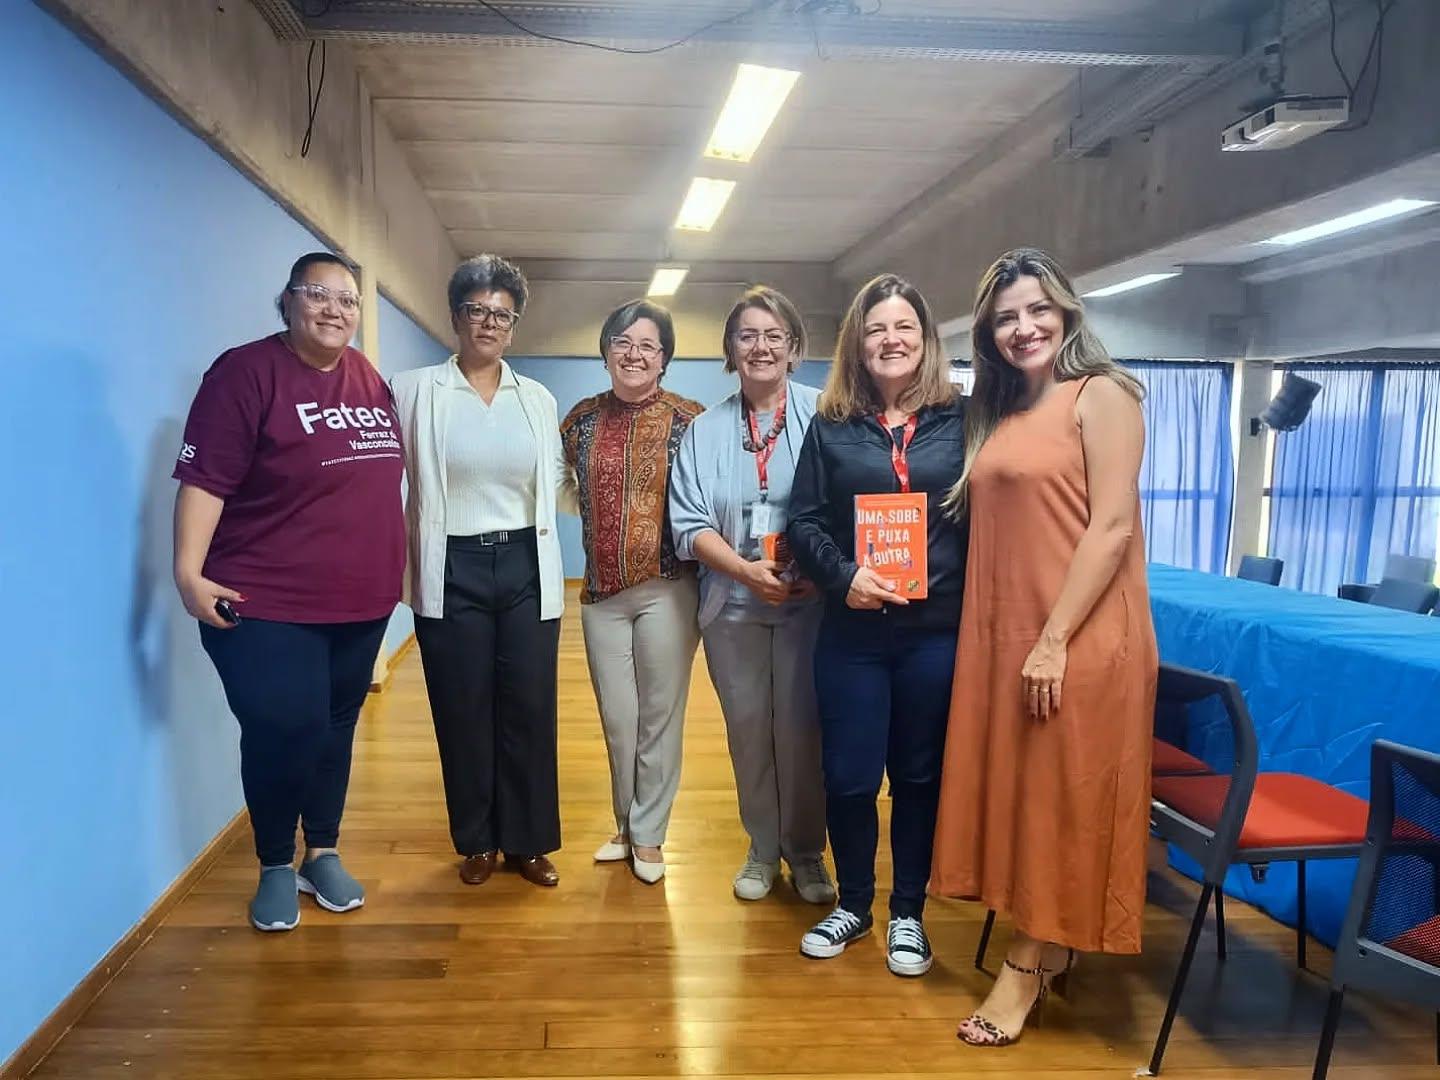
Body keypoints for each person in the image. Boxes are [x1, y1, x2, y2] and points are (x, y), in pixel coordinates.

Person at [930, 247, 1158, 1047]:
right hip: (1015, 636)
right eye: (1005, 318)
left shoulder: (1104, 394)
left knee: (1063, 803)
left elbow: (1112, 527)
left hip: (1080, 637)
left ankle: (1025, 969)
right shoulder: (1002, 410)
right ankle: (1052, 943)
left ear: (1065, 312)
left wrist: (1055, 639)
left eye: (1036, 310)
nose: (1023, 327)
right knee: (1030, 800)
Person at [172, 251, 404, 932]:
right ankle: (275, 861)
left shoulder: (366, 377)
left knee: (336, 725)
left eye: (348, 299)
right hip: (267, 597)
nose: (335, 309)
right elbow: (206, 480)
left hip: (360, 598)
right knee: (285, 726)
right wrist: (187, 570)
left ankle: (321, 851)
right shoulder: (245, 373)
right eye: (318, 294)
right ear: (288, 301)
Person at [786, 273, 967, 975]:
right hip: (853, 636)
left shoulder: (963, 420)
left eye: (904, 328)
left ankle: (908, 914)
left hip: (935, 634)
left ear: (926, 339)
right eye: (876, 330)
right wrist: (845, 577)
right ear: (856, 345)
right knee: (850, 777)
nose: (891, 341)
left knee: (918, 777)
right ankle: (856, 903)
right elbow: (804, 521)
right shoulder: (831, 425)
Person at [390, 254, 571, 889]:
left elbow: (558, 483)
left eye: (503, 314)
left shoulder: (536, 398)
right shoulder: (414, 390)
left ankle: (527, 841)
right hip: (451, 564)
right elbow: (378, 474)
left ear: (513, 326)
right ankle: (477, 840)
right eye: (478, 310)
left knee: (529, 706)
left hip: (525, 563)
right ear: (455, 316)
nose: (490, 323)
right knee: (461, 707)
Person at [669, 286, 836, 905]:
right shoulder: (704, 430)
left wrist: (820, 570)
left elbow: (849, 506)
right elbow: (688, 524)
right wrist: (744, 572)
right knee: (748, 730)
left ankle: (808, 853)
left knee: (802, 732)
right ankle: (763, 848)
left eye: (773, 336)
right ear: (730, 349)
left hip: (809, 607)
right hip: (731, 608)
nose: (760, 347)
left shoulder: (827, 416)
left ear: (793, 347)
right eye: (747, 336)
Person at [561, 300, 704, 884]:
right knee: (619, 720)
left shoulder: (690, 421)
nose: (634, 354)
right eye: (622, 342)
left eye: (648, 345)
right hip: (600, 594)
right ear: (605, 352)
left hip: (667, 588)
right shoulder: (579, 421)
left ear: (664, 358)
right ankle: (624, 823)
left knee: (658, 718)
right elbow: (559, 487)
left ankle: (649, 833)